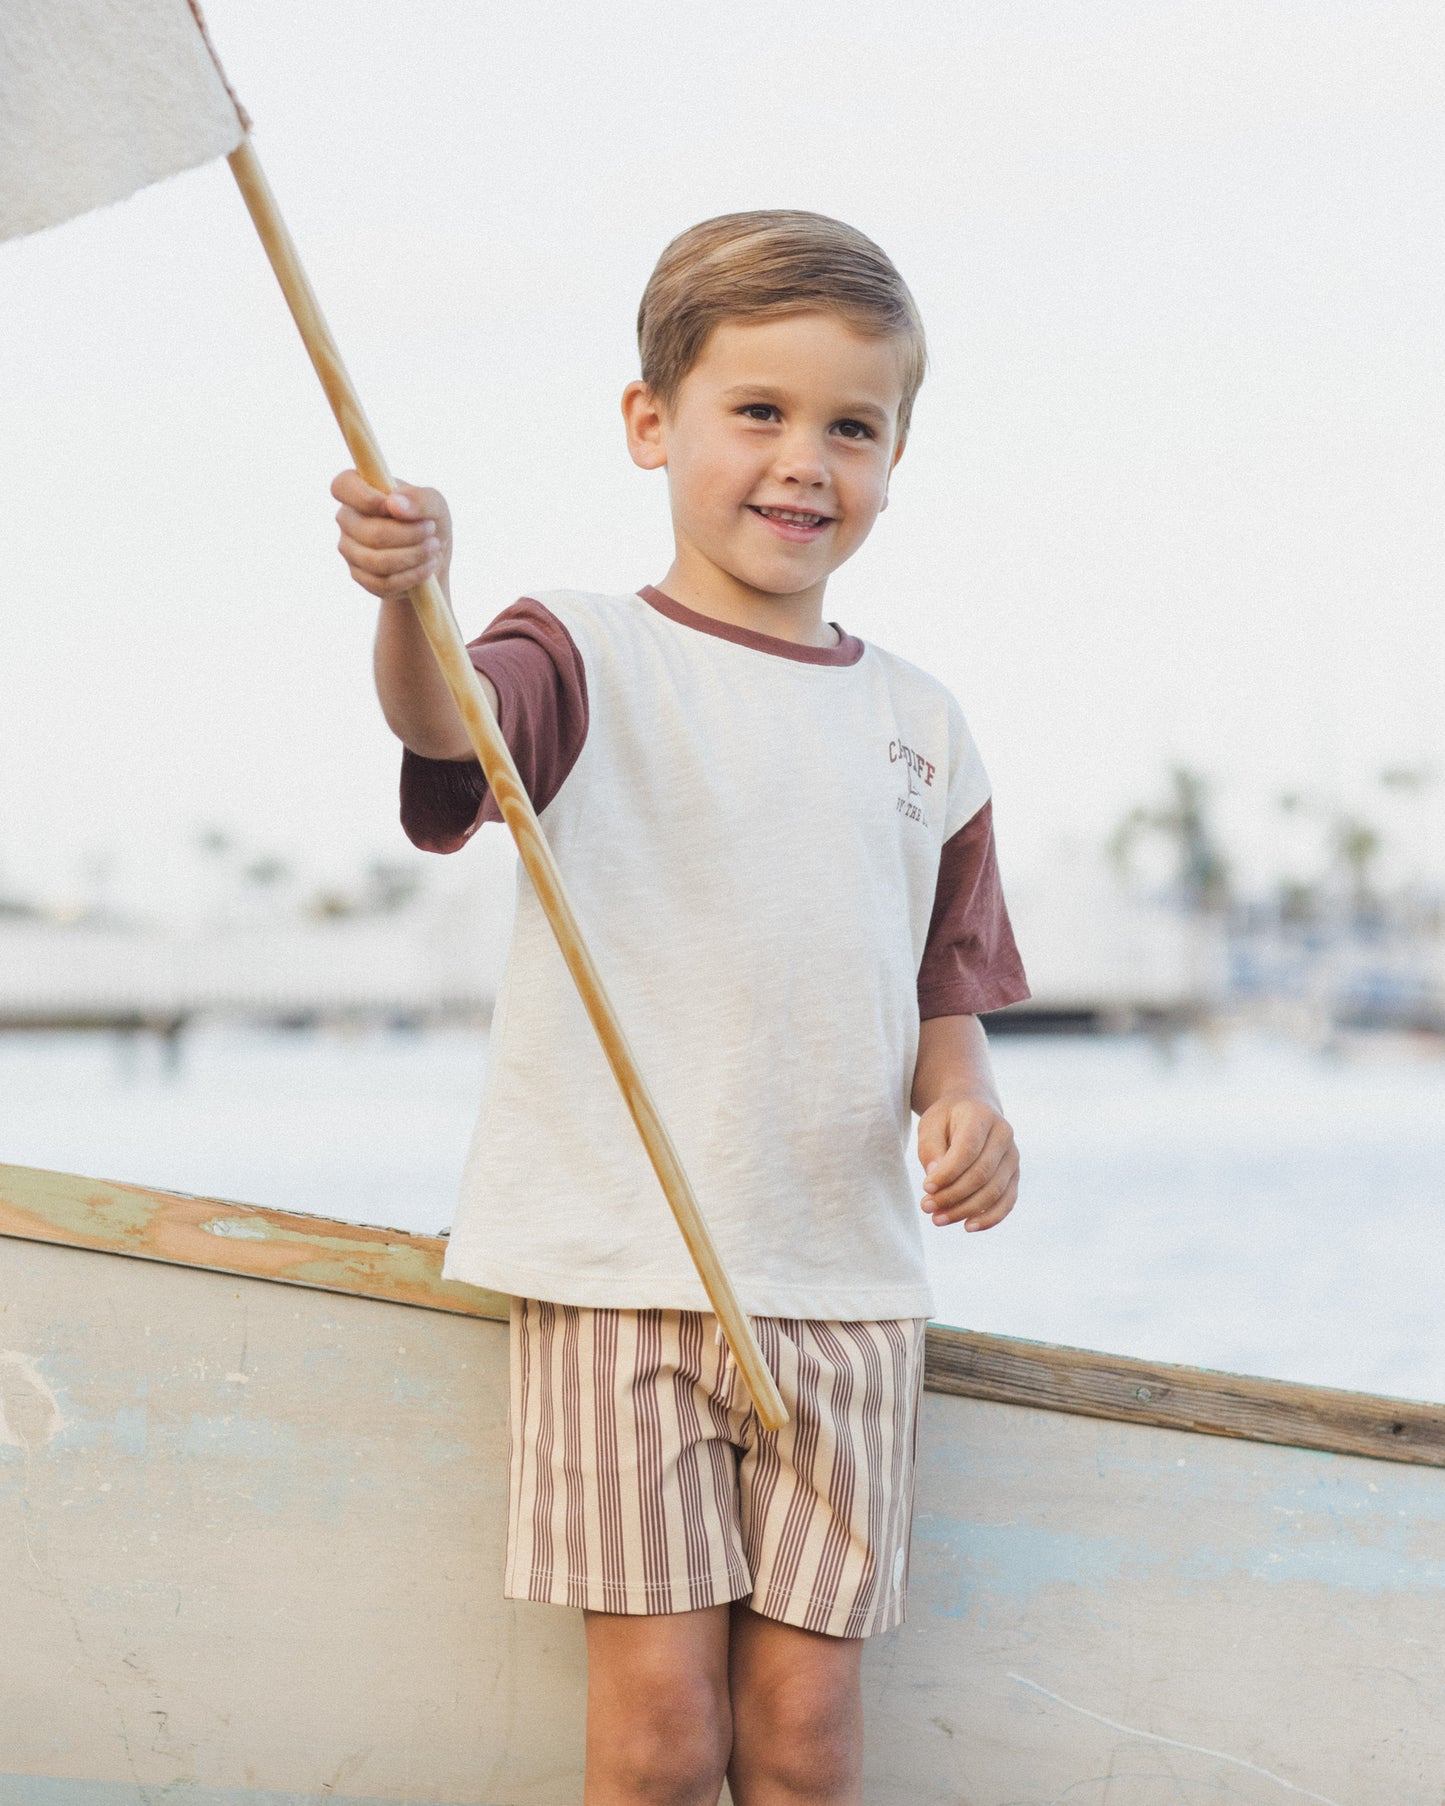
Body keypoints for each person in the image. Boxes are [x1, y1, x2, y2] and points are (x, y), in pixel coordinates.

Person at [332, 210, 1030, 1806]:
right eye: (758, 412)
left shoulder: (925, 722)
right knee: (655, 1744)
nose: (804, 461)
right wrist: (408, 598)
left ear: (896, 451)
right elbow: (453, 727)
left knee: (803, 1743)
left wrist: (970, 1107)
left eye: (851, 426)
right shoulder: (576, 646)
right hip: (617, 1273)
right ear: (652, 423)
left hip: (845, 1286)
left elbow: (946, 988)